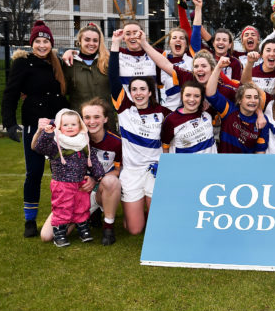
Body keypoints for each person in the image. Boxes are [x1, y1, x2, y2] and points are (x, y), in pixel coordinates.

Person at [1, 20, 69, 237]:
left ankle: (67, 216)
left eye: (45, 41)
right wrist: (10, 123)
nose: (42, 45)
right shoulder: (23, 63)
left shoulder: (57, 63)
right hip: (35, 126)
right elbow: (10, 94)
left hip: (58, 124)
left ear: (51, 44)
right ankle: (30, 221)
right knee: (34, 172)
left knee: (65, 171)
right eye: (38, 41)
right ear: (32, 43)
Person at [109, 29, 170, 235]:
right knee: (134, 230)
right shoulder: (124, 108)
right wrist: (115, 44)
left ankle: (150, 202)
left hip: (155, 170)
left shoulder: (162, 112)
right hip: (132, 172)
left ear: (150, 92)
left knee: (158, 227)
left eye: (143, 89)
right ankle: (137, 211)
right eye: (134, 89)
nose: (138, 93)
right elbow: (113, 78)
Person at [39, 98, 123, 246]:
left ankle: (108, 228)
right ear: (81, 120)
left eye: (96, 117)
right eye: (87, 117)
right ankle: (87, 218)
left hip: (102, 190)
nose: (91, 122)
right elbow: (39, 146)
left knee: (111, 181)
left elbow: (118, 170)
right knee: (47, 236)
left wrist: (94, 179)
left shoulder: (116, 142)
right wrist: (41, 130)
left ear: (105, 119)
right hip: (77, 191)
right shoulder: (71, 138)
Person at [31, 109, 104, 247]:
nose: (69, 127)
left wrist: (98, 174)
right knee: (62, 208)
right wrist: (46, 134)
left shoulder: (84, 142)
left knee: (82, 207)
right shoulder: (55, 142)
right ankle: (59, 234)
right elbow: (39, 148)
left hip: (80, 184)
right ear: (59, 127)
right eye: (65, 125)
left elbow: (92, 160)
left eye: (73, 124)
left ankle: (84, 230)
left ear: (80, 126)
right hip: (62, 184)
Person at [206, 57, 270, 154]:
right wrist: (218, 67)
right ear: (240, 100)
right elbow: (211, 94)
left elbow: (260, 151)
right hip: (225, 163)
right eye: (248, 97)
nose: (253, 100)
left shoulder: (262, 120)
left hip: (246, 165)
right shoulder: (229, 111)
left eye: (256, 97)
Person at [61, 23, 115, 129]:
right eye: (87, 39)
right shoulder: (69, 63)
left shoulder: (108, 62)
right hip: (79, 122)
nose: (91, 43)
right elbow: (63, 91)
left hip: (106, 123)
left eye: (95, 40)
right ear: (79, 41)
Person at [158, 0, 203, 111]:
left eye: (182, 38)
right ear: (169, 43)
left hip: (192, 110)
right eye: (174, 38)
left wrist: (198, 8)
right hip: (169, 111)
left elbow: (196, 31)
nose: (178, 40)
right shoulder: (161, 59)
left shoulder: (192, 56)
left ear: (187, 44)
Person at [161, 81, 217, 154]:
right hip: (185, 164)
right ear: (182, 96)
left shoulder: (208, 112)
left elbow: (219, 122)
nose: (191, 99)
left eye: (196, 96)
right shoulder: (171, 120)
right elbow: (165, 147)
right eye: (188, 95)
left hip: (210, 163)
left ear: (202, 98)